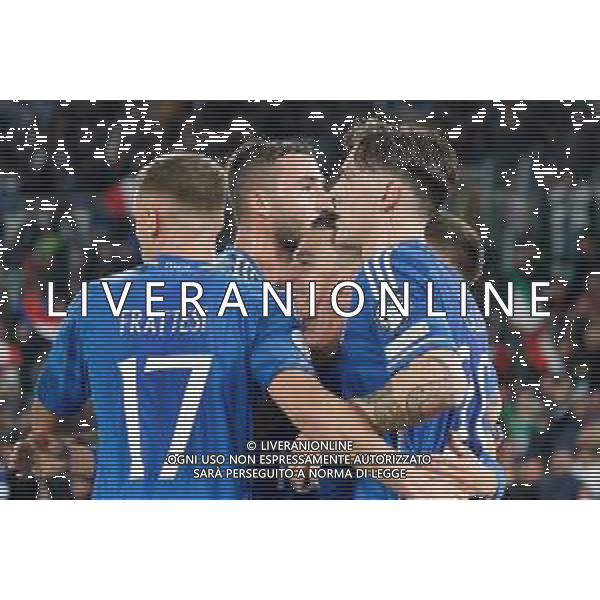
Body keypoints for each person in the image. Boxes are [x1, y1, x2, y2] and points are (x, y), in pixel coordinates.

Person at [12, 151, 487, 499]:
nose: (324, 197)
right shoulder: (249, 301)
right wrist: (414, 478)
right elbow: (313, 410)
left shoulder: (100, 302)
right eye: (306, 185)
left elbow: (57, 415)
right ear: (254, 204)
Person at [303, 115, 506, 499]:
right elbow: (481, 408)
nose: (333, 193)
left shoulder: (389, 265)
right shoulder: (445, 281)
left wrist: (327, 432)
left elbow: (441, 384)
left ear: (389, 194)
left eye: (346, 179)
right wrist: (488, 484)